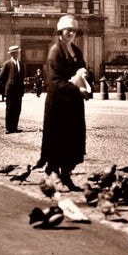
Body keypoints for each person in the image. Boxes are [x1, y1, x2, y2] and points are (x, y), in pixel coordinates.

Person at [37, 15, 89, 192]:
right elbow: (54, 81)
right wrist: (76, 89)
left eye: (74, 30)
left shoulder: (76, 50)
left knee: (72, 141)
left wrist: (86, 79)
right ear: (61, 31)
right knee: (58, 141)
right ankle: (54, 173)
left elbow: (83, 70)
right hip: (58, 104)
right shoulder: (55, 51)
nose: (71, 33)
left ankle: (66, 174)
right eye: (68, 30)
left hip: (73, 104)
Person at [0, 45, 25, 134]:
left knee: (17, 109)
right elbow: (1, 77)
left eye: (17, 52)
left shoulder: (21, 64)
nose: (16, 54)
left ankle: (15, 127)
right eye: (14, 53)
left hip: (19, 91)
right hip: (10, 90)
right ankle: (9, 128)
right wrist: (8, 84)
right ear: (11, 54)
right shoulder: (7, 64)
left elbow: (23, 76)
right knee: (10, 109)